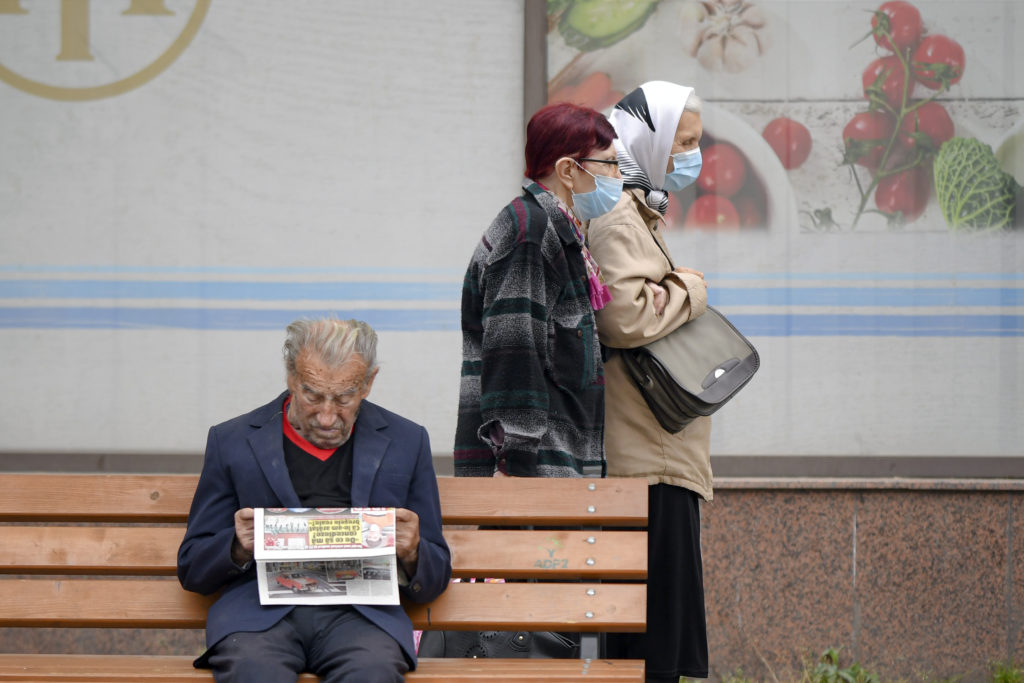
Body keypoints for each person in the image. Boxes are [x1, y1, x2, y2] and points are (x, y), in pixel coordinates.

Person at [177, 317, 451, 683]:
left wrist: (414, 551)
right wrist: (237, 546)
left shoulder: (407, 441)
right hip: (259, 617)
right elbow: (193, 566)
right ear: (291, 376)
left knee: (373, 672)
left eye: (343, 398)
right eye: (312, 395)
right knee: (254, 671)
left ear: (369, 382)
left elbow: (436, 575)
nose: (326, 416)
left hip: (362, 617)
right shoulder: (233, 441)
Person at [585, 81, 712, 682]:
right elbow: (623, 315)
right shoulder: (615, 216)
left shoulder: (640, 210)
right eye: (682, 141)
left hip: (660, 453)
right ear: (650, 138)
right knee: (649, 641)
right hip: (647, 457)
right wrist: (692, 287)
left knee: (657, 634)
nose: (692, 154)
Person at [454, 101, 622, 478]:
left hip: (560, 472)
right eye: (608, 163)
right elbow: (514, 354)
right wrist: (515, 463)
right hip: (533, 479)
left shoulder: (559, 232)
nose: (618, 175)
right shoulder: (530, 232)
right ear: (567, 170)